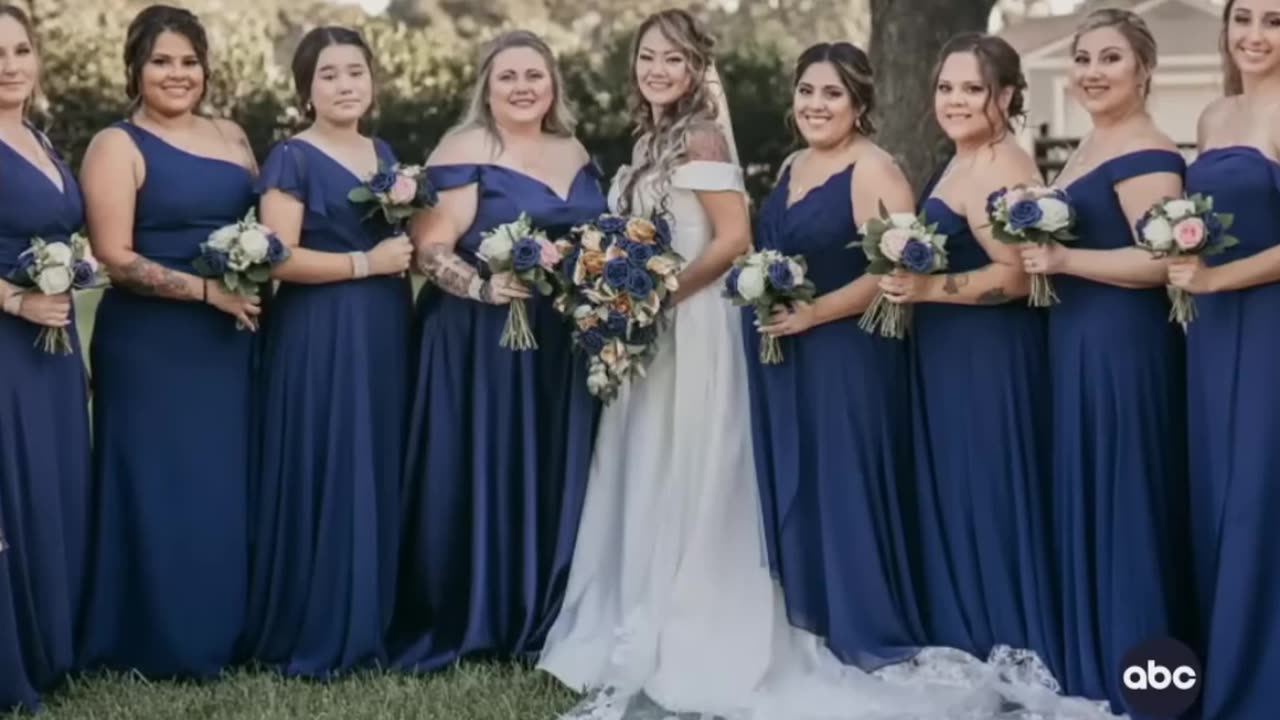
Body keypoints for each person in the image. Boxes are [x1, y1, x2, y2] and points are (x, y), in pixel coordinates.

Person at [389, 29, 606, 671]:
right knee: (484, 464)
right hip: (480, 340)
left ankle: (540, 608)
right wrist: (482, 287)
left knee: (547, 465)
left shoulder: (574, 148)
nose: (521, 87)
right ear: (486, 84)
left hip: (557, 342)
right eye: (507, 76)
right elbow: (431, 249)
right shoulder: (465, 147)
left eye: (533, 75)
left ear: (553, 85)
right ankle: (475, 612)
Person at [1016, 10, 1193, 716]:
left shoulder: (1147, 151)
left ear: (1143, 70)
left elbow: (1167, 261)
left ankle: (1149, 683)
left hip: (1123, 347)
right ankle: (1097, 667)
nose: (1090, 71)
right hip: (1077, 342)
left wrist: (1064, 259)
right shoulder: (1093, 140)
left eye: (1110, 59)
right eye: (1083, 58)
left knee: (1127, 502)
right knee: (1094, 496)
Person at [78, 3, 259, 678]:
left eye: (189, 61)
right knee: (158, 485)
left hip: (230, 341)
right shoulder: (115, 145)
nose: (177, 74)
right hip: (153, 346)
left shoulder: (236, 136)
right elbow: (116, 257)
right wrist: (207, 292)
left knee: (221, 483)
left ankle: (228, 628)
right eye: (161, 61)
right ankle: (151, 639)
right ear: (135, 68)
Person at [243, 24, 413, 678]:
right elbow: (277, 257)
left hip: (382, 328)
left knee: (373, 458)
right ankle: (315, 620)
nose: (345, 85)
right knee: (327, 458)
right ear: (307, 89)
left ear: (373, 80)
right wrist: (364, 264)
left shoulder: (385, 152)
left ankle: (371, 612)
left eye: (355, 72)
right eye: (330, 75)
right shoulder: (292, 157)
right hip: (320, 325)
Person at [1167, 1, 1280, 717]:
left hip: (1267, 325)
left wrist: (1216, 278)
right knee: (1216, 492)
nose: (1255, 35)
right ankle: (1224, 661)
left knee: (1259, 497)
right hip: (1209, 335)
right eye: (1243, 18)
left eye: (1274, 21)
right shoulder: (1213, 117)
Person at [0, 3, 90, 709]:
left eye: (21, 50)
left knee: (51, 481)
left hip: (53, 342)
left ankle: (53, 646)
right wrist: (14, 301)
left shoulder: (37, 136)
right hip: (8, 337)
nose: (10, 65)